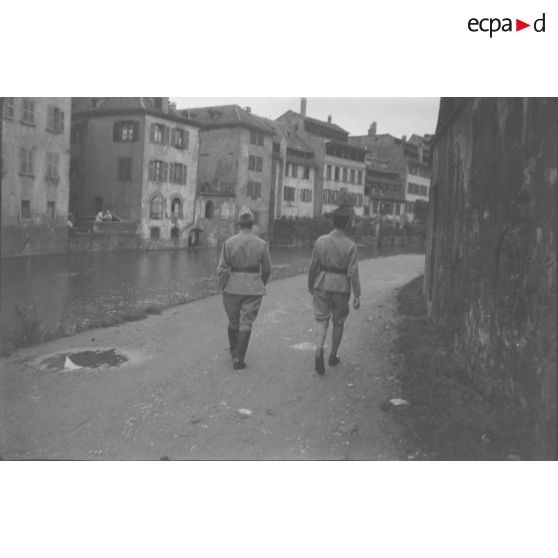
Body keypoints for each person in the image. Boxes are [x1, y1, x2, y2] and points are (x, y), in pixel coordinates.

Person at [308, 199, 361, 375]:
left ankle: (318, 352)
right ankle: (333, 355)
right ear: (347, 224)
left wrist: (311, 284)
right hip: (341, 288)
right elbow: (353, 272)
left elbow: (313, 266)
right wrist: (357, 294)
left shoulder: (321, 241)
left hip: (322, 284)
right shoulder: (351, 246)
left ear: (333, 222)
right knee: (338, 322)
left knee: (322, 320)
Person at [217, 206, 272, 370]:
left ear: (239, 224)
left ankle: (234, 351)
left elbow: (221, 269)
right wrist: (260, 282)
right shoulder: (262, 244)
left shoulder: (229, 242)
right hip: (253, 287)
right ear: (252, 224)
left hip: (232, 287)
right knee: (246, 322)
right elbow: (267, 269)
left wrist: (224, 286)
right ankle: (238, 359)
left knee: (233, 321)